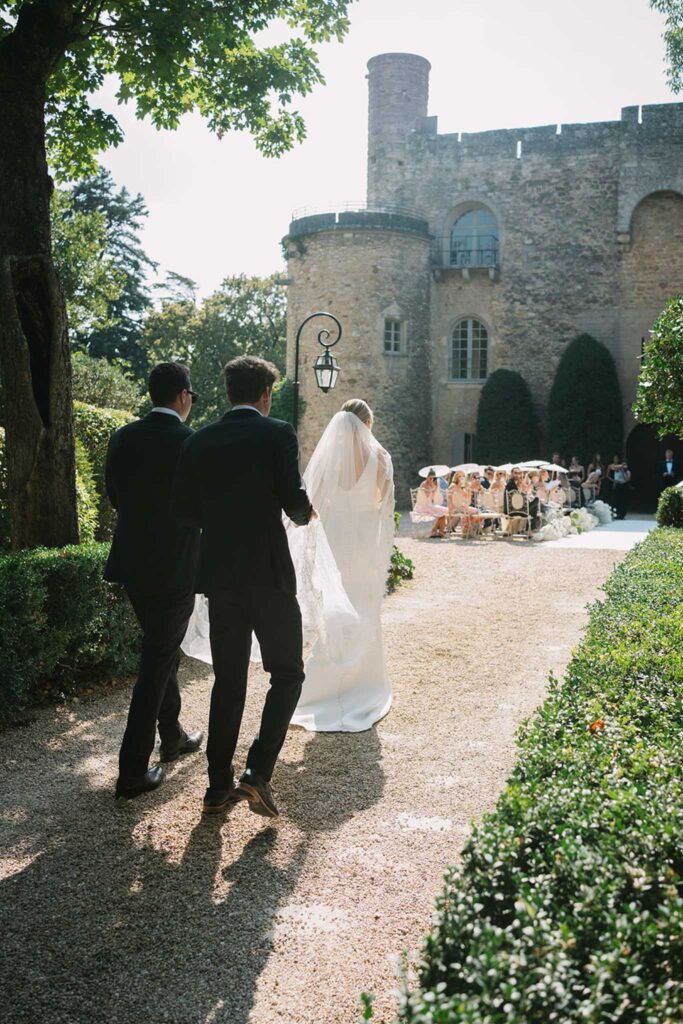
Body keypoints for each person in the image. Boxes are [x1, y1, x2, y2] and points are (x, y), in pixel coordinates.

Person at [172, 356, 314, 818]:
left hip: (221, 578)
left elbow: (186, 511)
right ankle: (256, 772)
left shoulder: (200, 440)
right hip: (269, 575)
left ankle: (216, 789)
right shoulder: (277, 433)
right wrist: (306, 511)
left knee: (228, 682)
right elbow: (294, 505)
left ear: (230, 391)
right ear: (266, 394)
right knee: (288, 673)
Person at [105, 362, 203, 800]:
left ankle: (174, 734)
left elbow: (114, 494)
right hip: (176, 567)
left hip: (132, 565)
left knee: (161, 651)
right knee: (156, 660)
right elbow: (202, 507)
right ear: (183, 395)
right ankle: (131, 771)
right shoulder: (190, 443)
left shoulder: (122, 437)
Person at [289, 399, 395, 732]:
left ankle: (321, 687)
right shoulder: (380, 459)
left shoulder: (330, 460)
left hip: (335, 543)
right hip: (363, 544)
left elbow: (312, 505)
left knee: (334, 612)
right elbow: (384, 508)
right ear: (367, 425)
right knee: (364, 610)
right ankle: (363, 685)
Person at [413, 468, 448, 537]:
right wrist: (431, 488)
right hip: (423, 506)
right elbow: (427, 495)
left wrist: (435, 488)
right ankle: (436, 530)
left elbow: (432, 497)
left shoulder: (433, 484)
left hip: (430, 505)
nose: (431, 479)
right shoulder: (423, 484)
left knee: (444, 512)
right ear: (427, 477)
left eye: (433, 478)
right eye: (430, 478)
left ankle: (439, 531)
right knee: (442, 513)